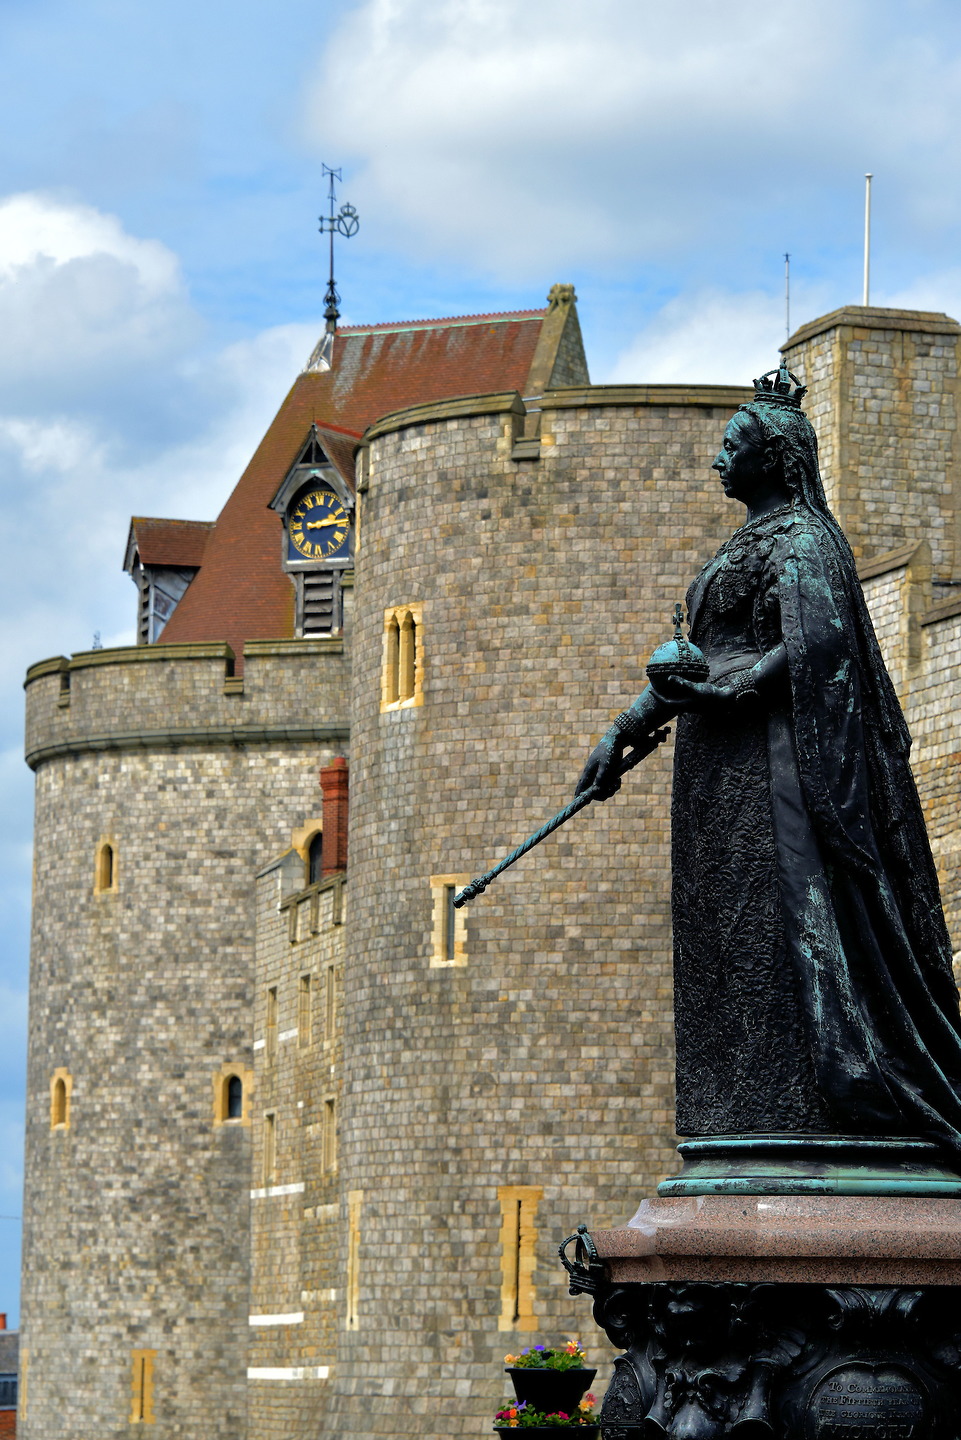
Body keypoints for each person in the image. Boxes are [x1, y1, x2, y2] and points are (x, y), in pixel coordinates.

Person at [576, 363, 961, 1155]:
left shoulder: (804, 540)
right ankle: (738, 1110)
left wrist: (737, 691)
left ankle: (823, 1093)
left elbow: (816, 640)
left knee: (784, 919)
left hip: (776, 768)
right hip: (717, 775)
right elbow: (700, 660)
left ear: (774, 458)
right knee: (724, 931)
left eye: (730, 445)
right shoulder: (739, 546)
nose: (716, 459)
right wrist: (622, 727)